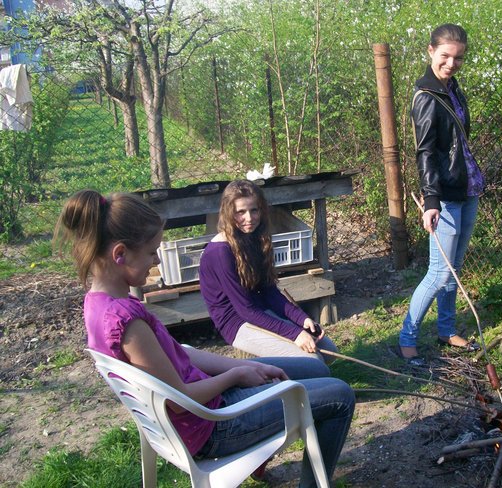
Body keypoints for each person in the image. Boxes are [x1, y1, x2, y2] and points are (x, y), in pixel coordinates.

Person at [54, 189, 355, 487]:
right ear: (119, 254)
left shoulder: (98, 304)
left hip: (207, 408)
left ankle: (272, 455)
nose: (156, 260)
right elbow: (180, 401)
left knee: (315, 367)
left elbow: (180, 354)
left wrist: (246, 368)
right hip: (215, 425)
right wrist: (236, 375)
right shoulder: (127, 323)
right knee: (340, 395)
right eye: (151, 252)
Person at [399, 24, 484, 366]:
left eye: (458, 58)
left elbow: (458, 143)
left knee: (454, 269)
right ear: (430, 51)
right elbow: (426, 153)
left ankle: (446, 330)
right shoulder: (426, 96)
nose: (451, 64)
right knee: (438, 273)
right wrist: (431, 201)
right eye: (445, 56)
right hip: (445, 196)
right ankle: (407, 338)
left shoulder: (452, 88)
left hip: (467, 187)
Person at [199, 179, 338, 363]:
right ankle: (272, 378)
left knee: (328, 350)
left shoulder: (254, 237)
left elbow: (269, 291)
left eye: (254, 210)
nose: (249, 218)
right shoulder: (220, 252)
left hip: (261, 309)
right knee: (313, 360)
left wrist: (301, 319)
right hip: (238, 322)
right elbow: (245, 310)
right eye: (241, 212)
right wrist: (294, 333)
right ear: (228, 213)